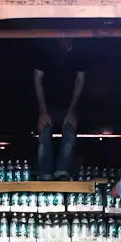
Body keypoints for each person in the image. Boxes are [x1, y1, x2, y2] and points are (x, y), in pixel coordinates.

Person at [34, 39, 86, 180]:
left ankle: (62, 171)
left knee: (69, 133)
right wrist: (43, 111)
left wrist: (71, 111)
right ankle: (45, 172)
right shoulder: (45, 52)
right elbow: (37, 80)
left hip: (68, 105)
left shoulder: (79, 55)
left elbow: (80, 82)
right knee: (44, 133)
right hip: (48, 105)